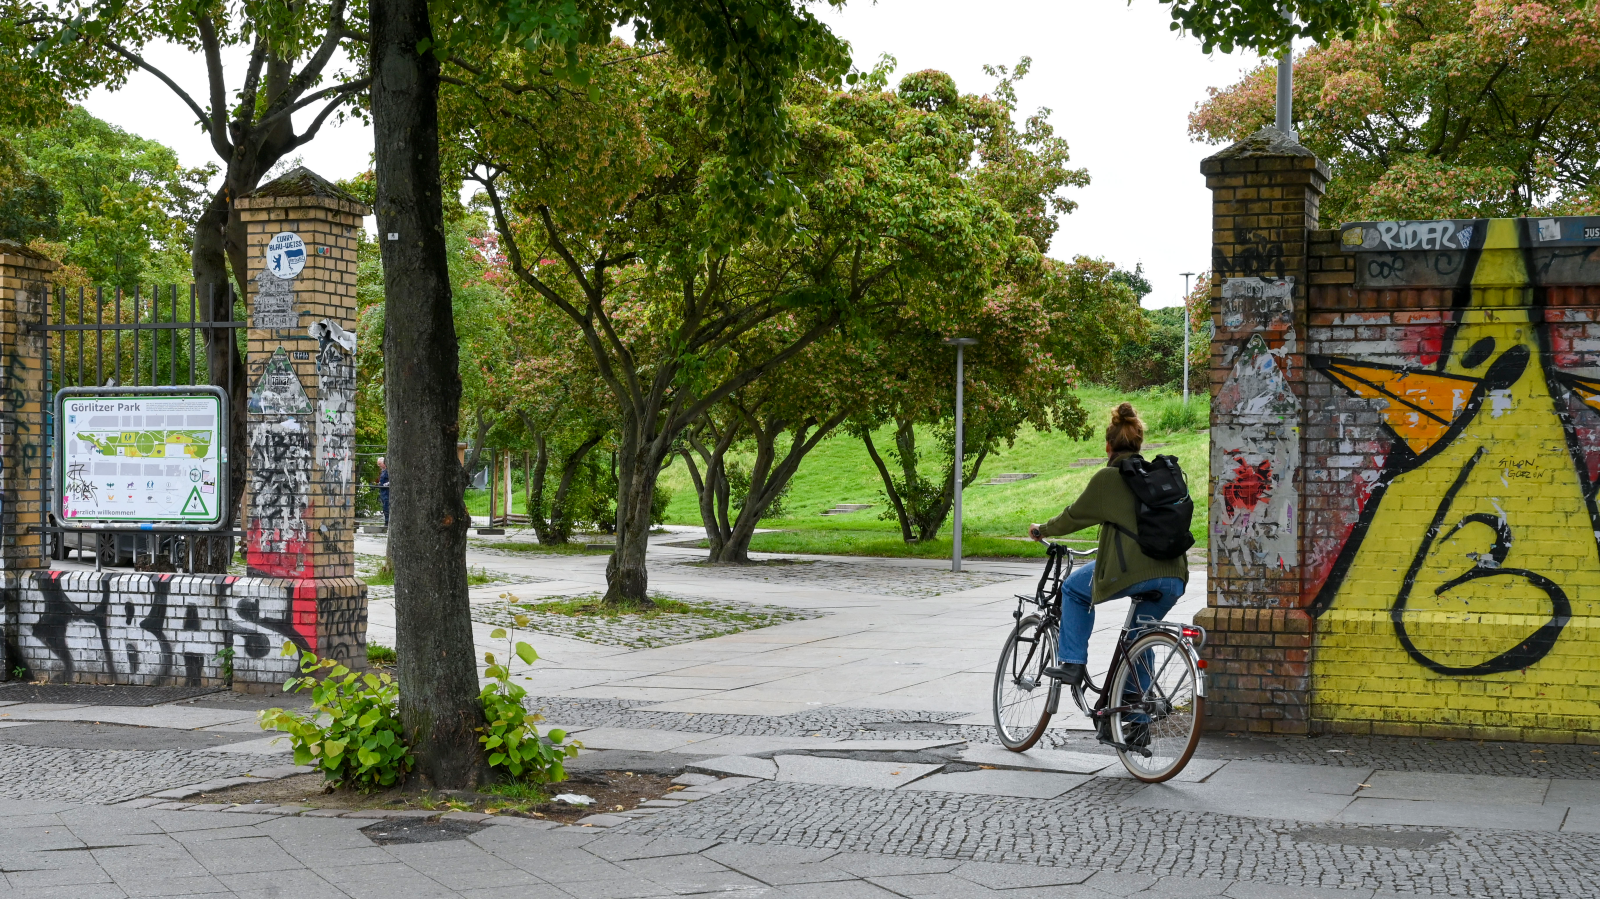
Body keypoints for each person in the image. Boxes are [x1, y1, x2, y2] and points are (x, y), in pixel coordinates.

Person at [1027, 402, 1189, 690]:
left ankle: (1072, 663)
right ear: (1139, 444)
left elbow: (1074, 516)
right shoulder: (1156, 479)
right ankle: (1135, 716)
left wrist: (1042, 530)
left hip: (1134, 571)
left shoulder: (1108, 479)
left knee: (1074, 590)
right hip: (1174, 575)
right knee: (1137, 638)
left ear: (1107, 447)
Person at [377, 457, 390, 526]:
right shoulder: (383, 471)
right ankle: (386, 520)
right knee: (384, 507)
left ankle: (387, 522)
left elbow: (390, 481)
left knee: (387, 506)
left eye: (380, 464)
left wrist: (386, 484)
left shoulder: (388, 471)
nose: (379, 466)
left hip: (386, 492)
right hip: (383, 492)